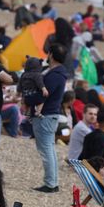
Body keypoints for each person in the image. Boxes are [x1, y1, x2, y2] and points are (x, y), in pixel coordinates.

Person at [33, 43, 69, 193]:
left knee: (46, 148)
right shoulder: (58, 73)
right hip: (51, 114)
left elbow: (44, 95)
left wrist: (31, 101)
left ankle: (50, 183)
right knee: (49, 148)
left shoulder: (55, 75)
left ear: (51, 55)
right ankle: (52, 181)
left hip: (46, 115)